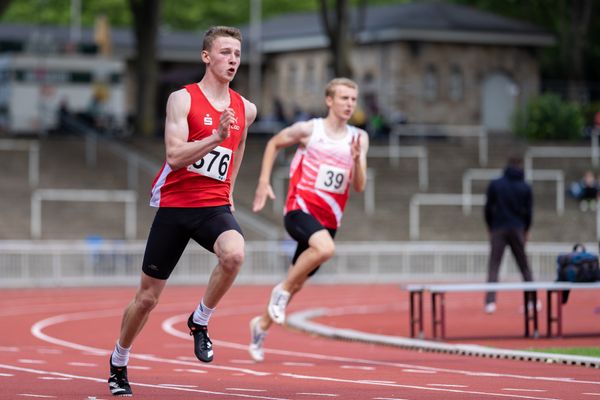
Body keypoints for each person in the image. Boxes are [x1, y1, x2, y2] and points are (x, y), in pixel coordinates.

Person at [107, 26, 256, 396]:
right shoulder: (182, 100)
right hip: (175, 207)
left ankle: (199, 320)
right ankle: (119, 361)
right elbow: (174, 157)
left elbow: (237, 150)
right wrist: (214, 138)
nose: (232, 59)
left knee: (235, 254)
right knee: (146, 298)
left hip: (212, 207)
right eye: (225, 52)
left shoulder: (245, 109)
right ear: (207, 57)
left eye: (237, 53)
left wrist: (230, 190)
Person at [248, 77, 369, 362]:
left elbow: (360, 186)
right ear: (329, 100)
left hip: (329, 220)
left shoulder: (359, 138)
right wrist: (263, 182)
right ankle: (281, 291)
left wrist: (357, 161)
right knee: (325, 250)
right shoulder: (309, 130)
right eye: (343, 98)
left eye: (353, 99)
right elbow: (274, 143)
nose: (349, 104)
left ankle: (261, 324)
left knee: (299, 281)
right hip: (299, 210)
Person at [483, 155, 534, 314]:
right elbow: (529, 212)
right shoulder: (525, 187)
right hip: (517, 228)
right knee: (524, 265)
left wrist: (490, 226)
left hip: (498, 228)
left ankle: (490, 302)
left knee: (494, 265)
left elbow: (488, 208)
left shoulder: (496, 184)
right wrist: (526, 229)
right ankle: (531, 301)